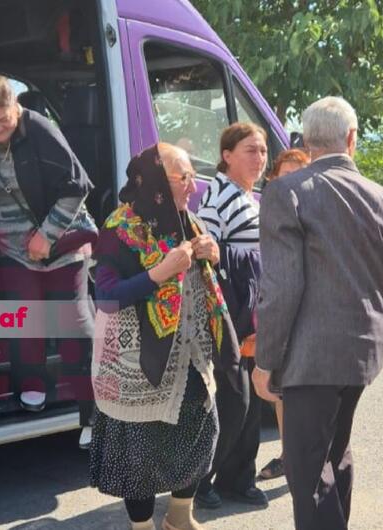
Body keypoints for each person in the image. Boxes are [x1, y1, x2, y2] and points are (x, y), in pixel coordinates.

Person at [253, 96, 383, 530]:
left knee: (307, 469)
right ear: (352, 138)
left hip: (309, 357)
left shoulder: (285, 192)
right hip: (362, 351)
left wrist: (265, 361)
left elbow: (282, 287)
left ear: (305, 141)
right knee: (335, 454)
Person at [89, 143, 239, 530]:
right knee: (140, 454)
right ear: (155, 181)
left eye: (192, 176)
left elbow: (209, 282)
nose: (193, 186)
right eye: (183, 177)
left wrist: (214, 255)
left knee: (200, 434)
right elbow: (106, 297)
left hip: (189, 355)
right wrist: (159, 273)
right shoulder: (119, 229)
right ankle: (141, 527)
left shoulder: (189, 221)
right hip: (137, 363)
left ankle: (179, 517)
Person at [0, 71, 97, 447]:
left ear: (16, 107)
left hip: (61, 243)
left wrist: (46, 235)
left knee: (72, 322)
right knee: (25, 318)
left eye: (3, 119)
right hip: (9, 248)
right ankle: (32, 384)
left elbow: (77, 186)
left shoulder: (38, 128)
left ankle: (93, 411)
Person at [195, 122, 269, 509]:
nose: (260, 158)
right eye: (251, 151)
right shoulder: (218, 197)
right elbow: (205, 255)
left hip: (252, 316)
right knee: (234, 401)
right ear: (227, 155)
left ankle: (239, 479)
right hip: (228, 317)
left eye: (263, 151)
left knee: (252, 401)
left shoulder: (249, 197)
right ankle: (198, 479)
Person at [256, 147, 311, 482]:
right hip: (273, 305)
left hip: (307, 314)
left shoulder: (316, 211)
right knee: (281, 390)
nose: (291, 183)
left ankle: (309, 460)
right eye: (285, 175)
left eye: (298, 176)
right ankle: (289, 455)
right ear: (273, 178)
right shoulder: (264, 208)